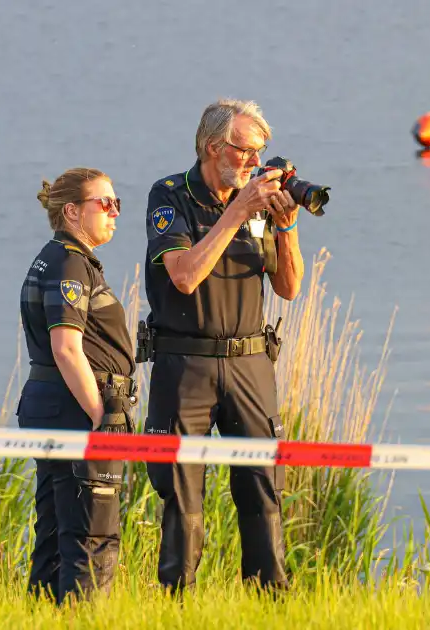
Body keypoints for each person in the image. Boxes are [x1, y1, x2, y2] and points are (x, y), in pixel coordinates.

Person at [140, 98, 305, 593]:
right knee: (182, 494)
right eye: (247, 152)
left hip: (251, 361)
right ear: (214, 147)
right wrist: (238, 211)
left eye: (261, 154)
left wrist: (286, 224)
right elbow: (185, 276)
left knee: (262, 491)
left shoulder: (254, 203)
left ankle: (270, 602)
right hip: (185, 363)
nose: (256, 164)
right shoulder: (170, 196)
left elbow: (289, 288)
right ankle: (178, 604)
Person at [17, 167, 136, 605]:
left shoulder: (56, 257)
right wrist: (102, 414)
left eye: (116, 203)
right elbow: (67, 348)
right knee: (92, 536)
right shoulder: (70, 264)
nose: (114, 212)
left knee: (54, 534)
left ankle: (43, 613)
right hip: (76, 411)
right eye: (104, 203)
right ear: (71, 211)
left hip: (50, 407)